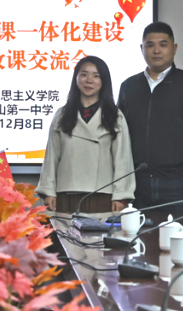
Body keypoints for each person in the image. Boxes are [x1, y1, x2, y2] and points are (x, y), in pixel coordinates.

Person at [117, 21, 183, 213]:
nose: (156, 51)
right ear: (141, 49)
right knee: (136, 233)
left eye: (163, 44)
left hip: (179, 184)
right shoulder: (129, 86)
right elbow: (119, 135)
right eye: (150, 45)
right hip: (136, 184)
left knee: (178, 233)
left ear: (174, 48)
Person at [37, 56, 135, 214]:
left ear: (104, 81)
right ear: (76, 78)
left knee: (99, 230)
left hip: (102, 193)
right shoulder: (62, 114)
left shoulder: (114, 115)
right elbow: (52, 157)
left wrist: (121, 195)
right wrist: (48, 190)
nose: (89, 80)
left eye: (96, 76)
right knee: (65, 230)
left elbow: (122, 159)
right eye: (84, 74)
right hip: (66, 192)